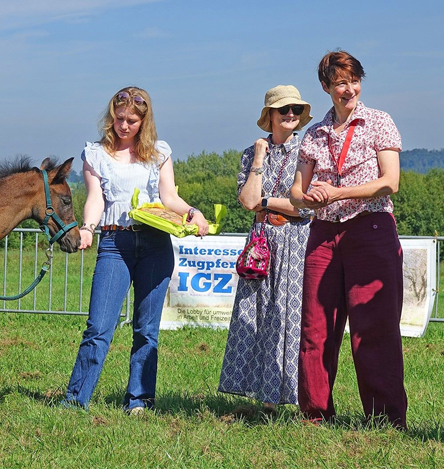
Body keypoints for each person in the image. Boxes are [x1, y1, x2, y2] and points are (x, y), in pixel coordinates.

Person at [64, 86, 209, 414]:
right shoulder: (95, 154)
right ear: (111, 117)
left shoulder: (159, 152)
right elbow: (96, 199)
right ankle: (75, 401)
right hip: (116, 244)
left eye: (132, 120)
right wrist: (88, 227)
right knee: (99, 327)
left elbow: (168, 197)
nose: (124, 126)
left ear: (144, 121)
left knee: (146, 330)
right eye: (119, 119)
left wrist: (192, 213)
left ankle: (139, 401)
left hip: (156, 244)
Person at [290, 50, 407, 428]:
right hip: (323, 233)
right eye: (340, 82)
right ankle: (315, 414)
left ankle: (385, 419)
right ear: (325, 87)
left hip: (370, 228)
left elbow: (390, 182)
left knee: (374, 326)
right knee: (316, 327)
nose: (349, 89)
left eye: (354, 80)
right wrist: (308, 197)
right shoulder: (314, 134)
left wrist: (338, 193)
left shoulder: (379, 122)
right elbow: (296, 191)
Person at [218, 85, 313, 413]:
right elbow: (247, 201)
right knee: (252, 314)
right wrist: (259, 158)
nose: (290, 115)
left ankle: (288, 396)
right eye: (284, 109)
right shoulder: (251, 153)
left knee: (286, 316)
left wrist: (269, 202)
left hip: (294, 241)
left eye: (296, 110)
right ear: (269, 115)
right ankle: (258, 395)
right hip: (260, 242)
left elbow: (306, 208)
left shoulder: (307, 150)